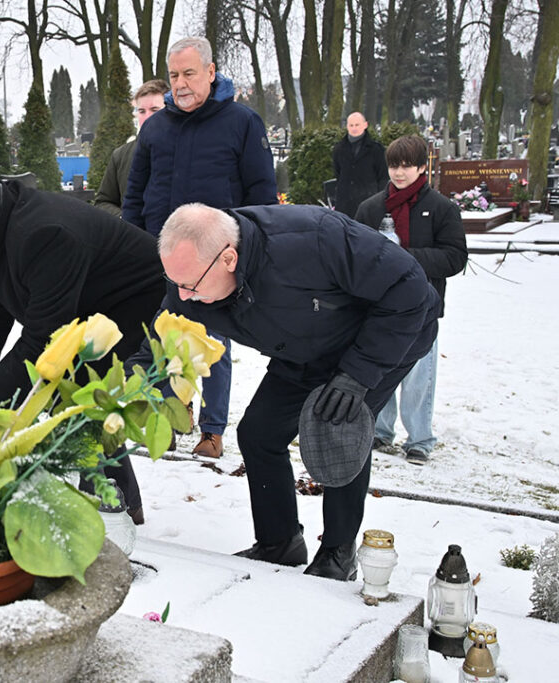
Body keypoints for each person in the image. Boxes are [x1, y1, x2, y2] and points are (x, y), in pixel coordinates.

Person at [146, 202, 440, 580]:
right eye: (176, 283)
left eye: (190, 285)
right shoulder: (192, 281)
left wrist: (358, 374)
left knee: (339, 427)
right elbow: (161, 331)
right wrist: (135, 381)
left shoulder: (314, 238)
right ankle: (279, 542)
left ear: (229, 258)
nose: (183, 296)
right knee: (259, 433)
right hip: (301, 345)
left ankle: (337, 553)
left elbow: (408, 289)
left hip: (380, 335)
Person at [0, 173, 168, 524]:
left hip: (138, 306)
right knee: (71, 395)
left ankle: (107, 512)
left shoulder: (43, 234)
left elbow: (43, 341)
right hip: (88, 308)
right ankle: (122, 502)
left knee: (83, 397)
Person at [122, 36, 278, 459]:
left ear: (211, 72)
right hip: (162, 256)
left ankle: (212, 429)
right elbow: (135, 195)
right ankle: (167, 421)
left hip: (217, 259)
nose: (181, 83)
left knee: (214, 345)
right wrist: (131, 245)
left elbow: (262, 194)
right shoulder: (155, 129)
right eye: (174, 75)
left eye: (190, 73)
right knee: (161, 342)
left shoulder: (243, 123)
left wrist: (247, 253)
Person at [354, 135, 467, 465]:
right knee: (380, 370)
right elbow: (354, 254)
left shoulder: (442, 208)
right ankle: (379, 429)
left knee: (419, 375)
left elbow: (454, 257)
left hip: (421, 307)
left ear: (422, 167)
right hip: (377, 306)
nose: (399, 172)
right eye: (393, 165)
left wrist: (404, 256)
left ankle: (419, 439)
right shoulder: (371, 208)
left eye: (406, 165)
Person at [92, 79, 168, 216]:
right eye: (142, 111)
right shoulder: (120, 155)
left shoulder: (184, 150)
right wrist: (125, 220)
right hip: (133, 235)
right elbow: (103, 202)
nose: (148, 117)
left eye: (154, 110)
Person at [332, 112, 389, 219]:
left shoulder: (376, 150)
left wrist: (380, 200)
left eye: (357, 125)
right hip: (345, 203)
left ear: (365, 125)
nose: (354, 128)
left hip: (368, 201)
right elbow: (338, 173)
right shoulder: (339, 149)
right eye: (351, 125)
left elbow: (383, 176)